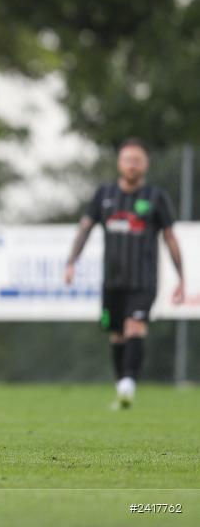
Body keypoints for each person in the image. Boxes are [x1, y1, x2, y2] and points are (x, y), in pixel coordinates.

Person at [65, 138, 185, 409]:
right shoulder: (104, 194)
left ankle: (129, 384)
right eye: (128, 159)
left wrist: (181, 278)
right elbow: (85, 228)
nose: (132, 165)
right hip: (112, 280)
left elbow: (170, 237)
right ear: (119, 163)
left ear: (145, 164)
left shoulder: (156, 197)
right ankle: (122, 386)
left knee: (135, 327)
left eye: (137, 160)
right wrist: (71, 262)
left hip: (144, 280)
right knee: (117, 334)